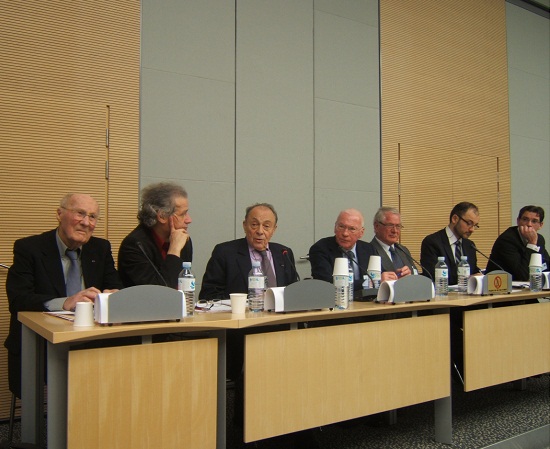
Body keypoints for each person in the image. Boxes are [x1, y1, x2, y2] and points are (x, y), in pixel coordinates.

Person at [4, 193, 122, 398]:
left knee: (122, 368)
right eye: (80, 214)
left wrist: (112, 296)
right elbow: (18, 299)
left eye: (93, 217)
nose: (86, 223)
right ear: (60, 214)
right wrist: (65, 302)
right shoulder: (29, 248)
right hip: (42, 344)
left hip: (90, 339)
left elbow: (115, 286)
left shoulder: (100, 248)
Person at [199, 202, 298, 299]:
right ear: (245, 225)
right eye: (254, 224)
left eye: (266, 226)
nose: (260, 231)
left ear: (274, 229)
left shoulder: (284, 253)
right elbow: (208, 295)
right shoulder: (225, 253)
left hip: (280, 314)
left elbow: (294, 293)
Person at [118, 182, 192, 289]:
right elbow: (158, 292)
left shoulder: (183, 240)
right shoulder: (134, 246)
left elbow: (185, 285)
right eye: (182, 214)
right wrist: (174, 251)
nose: (189, 220)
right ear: (162, 216)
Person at [309, 208, 391, 291]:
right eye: (341, 227)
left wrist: (394, 276)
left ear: (361, 233)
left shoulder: (368, 249)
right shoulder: (321, 249)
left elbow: (381, 275)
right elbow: (327, 284)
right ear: (335, 228)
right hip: (335, 301)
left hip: (367, 302)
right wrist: (369, 282)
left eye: (352, 229)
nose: (345, 233)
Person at [420, 202, 482, 285]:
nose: (472, 229)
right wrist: (467, 279)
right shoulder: (432, 242)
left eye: (475, 225)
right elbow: (433, 278)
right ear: (455, 219)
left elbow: (473, 271)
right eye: (469, 223)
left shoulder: (469, 245)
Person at [486, 205, 549, 280]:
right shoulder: (507, 239)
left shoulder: (540, 239)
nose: (529, 224)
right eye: (525, 219)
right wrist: (532, 244)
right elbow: (522, 275)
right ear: (518, 221)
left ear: (540, 225)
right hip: (500, 286)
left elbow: (546, 265)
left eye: (534, 221)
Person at [370, 207, 416, 279]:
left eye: (398, 226)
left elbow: (415, 274)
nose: (395, 231)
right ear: (376, 226)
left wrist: (410, 275)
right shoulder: (368, 251)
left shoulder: (403, 250)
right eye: (390, 225)